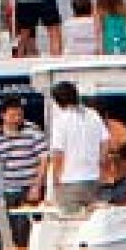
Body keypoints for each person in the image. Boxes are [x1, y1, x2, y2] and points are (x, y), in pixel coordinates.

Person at [0, 96, 47, 250]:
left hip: (33, 188)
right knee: (18, 234)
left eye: (20, 115)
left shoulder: (32, 130)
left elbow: (44, 159)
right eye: (13, 115)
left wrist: (37, 186)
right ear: (3, 115)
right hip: (12, 190)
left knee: (36, 231)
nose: (17, 119)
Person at [46, 80, 107, 211]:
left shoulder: (61, 120)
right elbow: (104, 142)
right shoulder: (93, 114)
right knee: (92, 221)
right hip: (93, 178)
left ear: (57, 101)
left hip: (69, 180)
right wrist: (100, 164)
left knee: (71, 223)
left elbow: (58, 153)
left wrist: (55, 179)